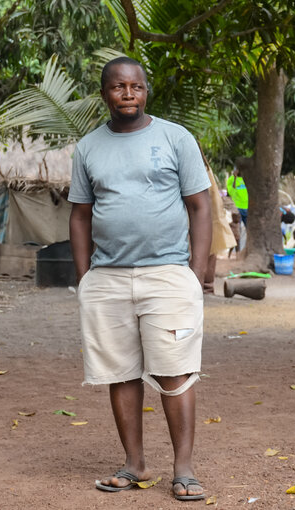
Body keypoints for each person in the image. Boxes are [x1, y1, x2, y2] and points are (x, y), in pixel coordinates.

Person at [69, 56, 212, 501]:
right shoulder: (88, 148)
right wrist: (84, 278)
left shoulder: (175, 138)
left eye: (136, 87)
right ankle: (134, 465)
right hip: (108, 277)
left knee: (175, 373)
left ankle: (184, 470)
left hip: (168, 274)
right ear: (105, 94)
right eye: (118, 87)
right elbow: (79, 215)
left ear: (146, 91)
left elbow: (200, 206)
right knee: (121, 373)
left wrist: (197, 271)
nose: (128, 94)